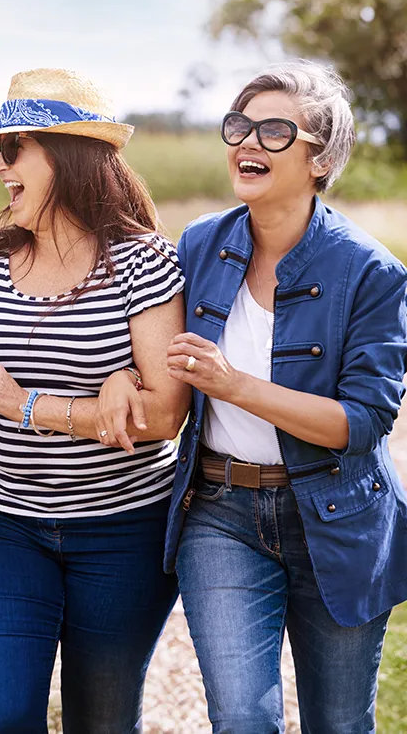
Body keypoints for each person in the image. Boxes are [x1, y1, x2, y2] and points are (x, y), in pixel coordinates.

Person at [0, 68, 191, 732]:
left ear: (68, 157)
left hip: (124, 527)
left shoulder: (144, 261)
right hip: (1, 520)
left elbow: (163, 415)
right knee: (2, 717)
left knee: (101, 719)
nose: (0, 166)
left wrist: (22, 403)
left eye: (15, 149)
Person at [162, 61, 407, 733]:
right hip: (220, 511)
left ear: (320, 158)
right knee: (243, 717)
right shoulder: (199, 245)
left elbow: (361, 424)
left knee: (340, 721)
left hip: (338, 517)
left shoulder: (372, 273)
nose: (247, 142)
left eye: (274, 131)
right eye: (240, 125)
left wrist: (234, 384)